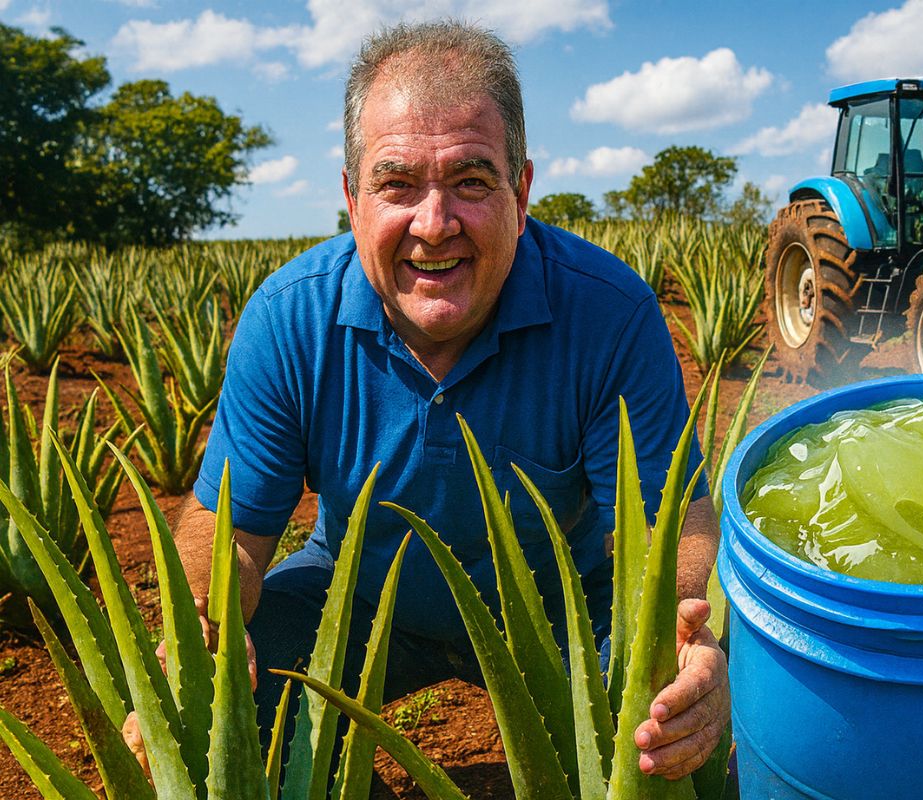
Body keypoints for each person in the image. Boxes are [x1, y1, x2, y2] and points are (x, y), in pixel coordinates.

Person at [168, 19, 728, 782]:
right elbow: (226, 529)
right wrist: (200, 620)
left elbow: (671, 516)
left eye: (471, 181)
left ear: (522, 190)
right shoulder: (289, 316)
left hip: (559, 605)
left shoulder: (609, 312)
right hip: (358, 595)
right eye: (396, 183)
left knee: (673, 725)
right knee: (218, 723)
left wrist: (680, 616)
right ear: (350, 195)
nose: (434, 226)